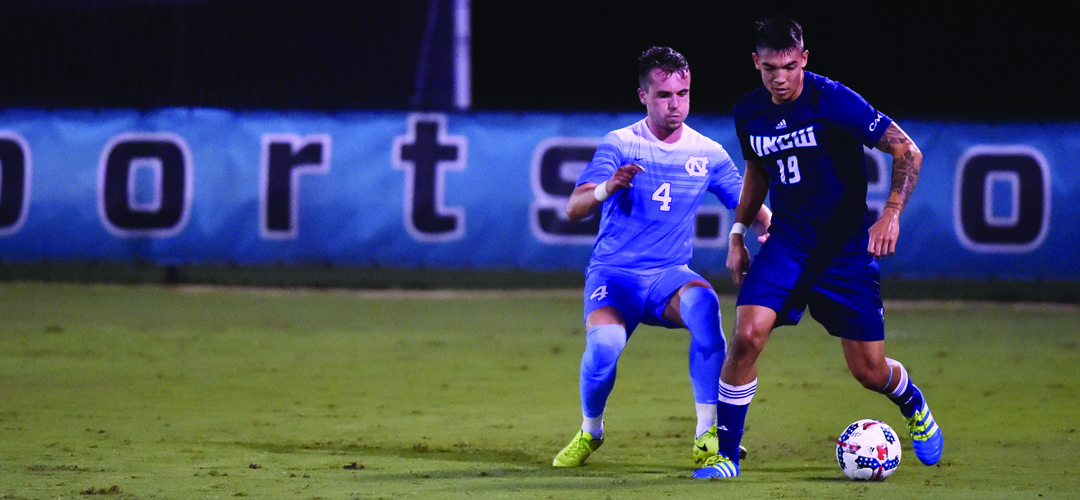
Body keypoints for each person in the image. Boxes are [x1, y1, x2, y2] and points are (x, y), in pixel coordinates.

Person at [694, 17, 942, 479]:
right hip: (787, 244)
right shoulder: (748, 111)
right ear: (756, 63)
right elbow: (758, 170)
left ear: (804, 59)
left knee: (869, 371)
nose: (780, 77)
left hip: (844, 254)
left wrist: (890, 214)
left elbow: (908, 151)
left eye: (789, 65)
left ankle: (912, 402)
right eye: (769, 68)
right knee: (746, 338)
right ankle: (725, 455)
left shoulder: (832, 100)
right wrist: (737, 232)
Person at [552, 46, 771, 468]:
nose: (676, 105)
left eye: (683, 93)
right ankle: (590, 431)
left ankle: (706, 435)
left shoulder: (706, 153)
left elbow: (752, 207)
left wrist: (769, 228)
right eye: (665, 95)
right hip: (613, 275)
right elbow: (574, 208)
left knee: (706, 307)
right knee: (606, 347)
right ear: (643, 96)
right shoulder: (620, 143)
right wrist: (606, 188)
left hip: (667, 277)